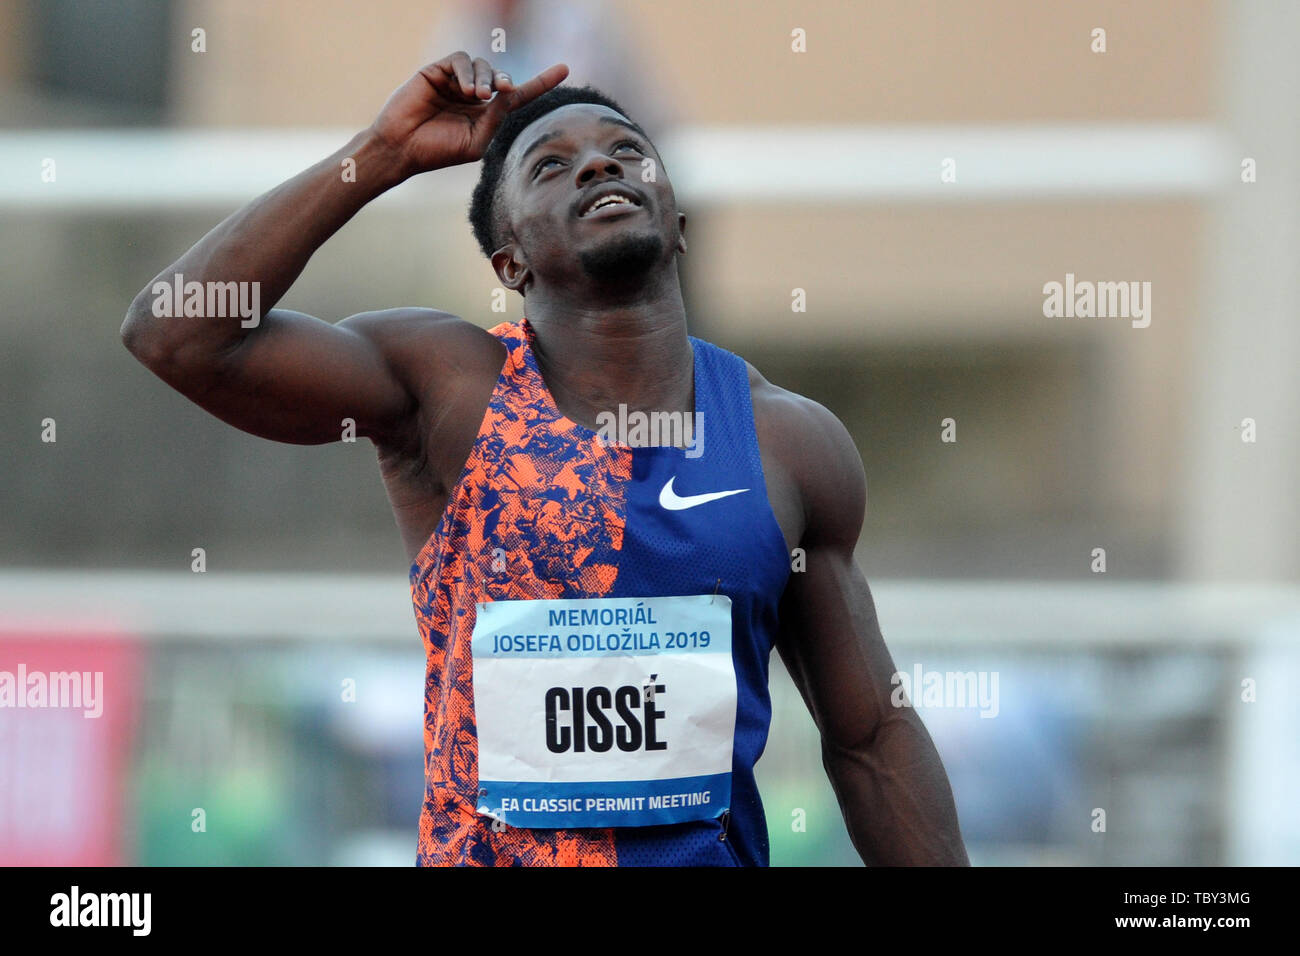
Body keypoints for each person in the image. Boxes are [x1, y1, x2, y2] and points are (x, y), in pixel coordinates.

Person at [121, 52, 969, 867]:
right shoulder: (448, 388)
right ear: (509, 260)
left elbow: (870, 740)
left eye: (628, 151)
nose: (602, 167)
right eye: (552, 165)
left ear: (678, 224)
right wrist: (380, 157)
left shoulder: (788, 441)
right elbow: (177, 335)